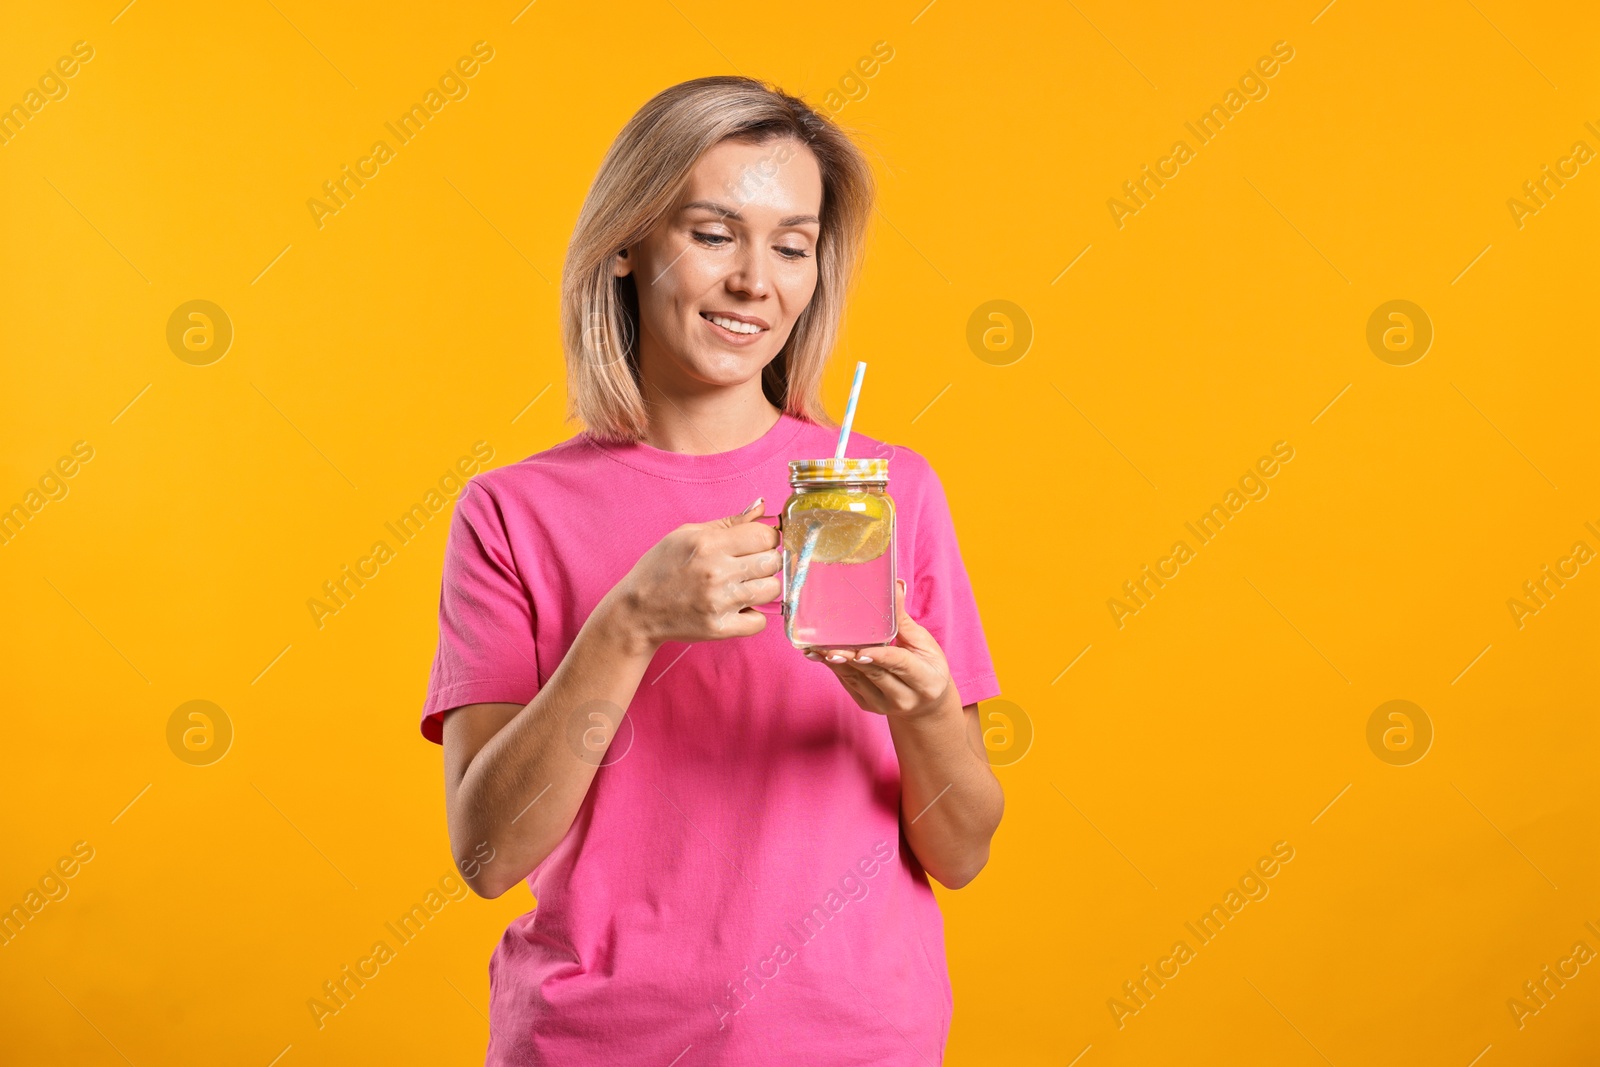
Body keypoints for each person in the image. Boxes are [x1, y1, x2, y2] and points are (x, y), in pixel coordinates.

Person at [420, 74, 1003, 1066]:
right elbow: (485, 852)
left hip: (855, 1041)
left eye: (791, 245)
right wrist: (629, 623)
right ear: (624, 246)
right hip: (595, 1043)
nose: (755, 282)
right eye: (712, 231)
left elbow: (962, 848)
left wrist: (922, 708)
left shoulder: (886, 493)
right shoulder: (511, 513)